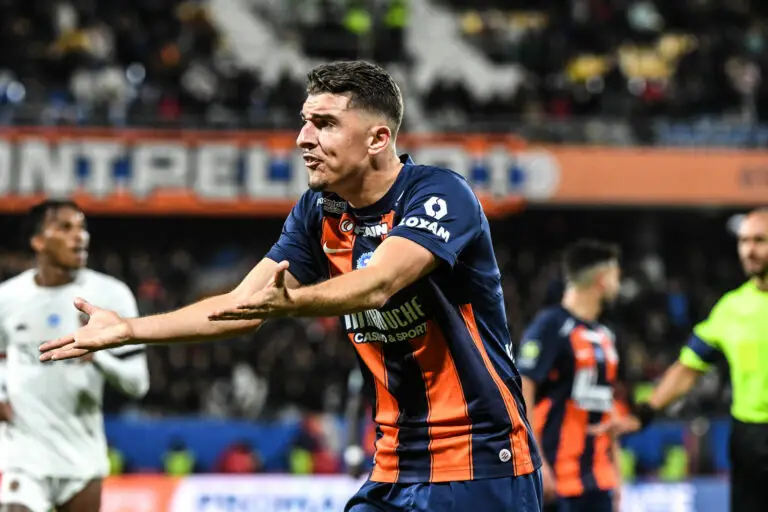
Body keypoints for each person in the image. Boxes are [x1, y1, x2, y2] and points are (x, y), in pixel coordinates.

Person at [38, 60, 543, 512]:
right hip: (393, 464)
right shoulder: (318, 212)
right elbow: (241, 306)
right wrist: (129, 330)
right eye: (304, 121)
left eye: (325, 124)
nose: (303, 138)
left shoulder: (439, 194)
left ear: (377, 139)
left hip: (480, 460)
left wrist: (291, 303)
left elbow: (379, 284)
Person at [590, 208, 768, 512]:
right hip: (747, 440)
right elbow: (688, 368)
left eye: (759, 240)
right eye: (744, 241)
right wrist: (644, 413)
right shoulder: (731, 308)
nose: (749, 250)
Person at [0, 200, 150, 512]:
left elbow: (138, 384)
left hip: (81, 455)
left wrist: (98, 357)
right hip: (23, 455)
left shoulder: (110, 294)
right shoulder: (8, 298)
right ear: (38, 241)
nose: (79, 236)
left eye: (82, 228)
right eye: (65, 228)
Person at [517, 240, 623, 512]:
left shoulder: (605, 335)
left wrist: (618, 476)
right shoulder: (550, 326)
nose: (619, 284)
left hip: (600, 479)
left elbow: (606, 409)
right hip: (558, 479)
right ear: (601, 280)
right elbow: (523, 390)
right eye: (616, 276)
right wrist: (536, 461)